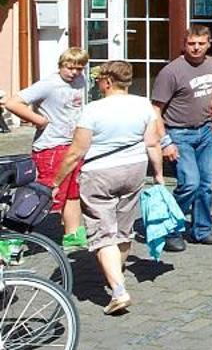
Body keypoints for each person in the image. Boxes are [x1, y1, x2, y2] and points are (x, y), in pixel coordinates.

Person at [52, 60, 166, 315]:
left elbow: (76, 151)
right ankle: (117, 274)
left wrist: (57, 181)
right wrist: (158, 174)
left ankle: (118, 290)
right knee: (123, 228)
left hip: (100, 172)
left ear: (107, 81)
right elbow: (152, 143)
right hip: (135, 168)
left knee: (102, 231)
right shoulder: (143, 104)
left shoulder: (93, 109)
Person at [3, 45, 89, 251]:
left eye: (79, 68)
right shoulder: (49, 84)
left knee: (73, 191)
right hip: (51, 147)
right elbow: (13, 102)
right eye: (70, 68)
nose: (74, 72)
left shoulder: (81, 81)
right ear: (61, 65)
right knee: (42, 192)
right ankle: (13, 237)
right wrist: (39, 120)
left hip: (73, 144)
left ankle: (73, 234)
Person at [152, 25, 212, 248]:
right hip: (179, 133)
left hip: (205, 131)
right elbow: (155, 110)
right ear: (184, 45)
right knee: (189, 184)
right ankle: (171, 229)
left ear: (209, 43)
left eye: (201, 43)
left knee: (206, 184)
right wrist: (165, 142)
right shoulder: (171, 72)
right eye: (191, 43)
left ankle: (202, 230)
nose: (196, 48)